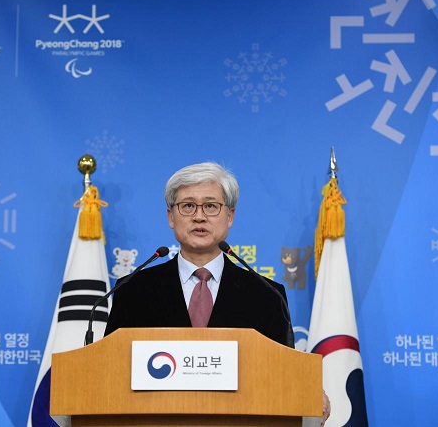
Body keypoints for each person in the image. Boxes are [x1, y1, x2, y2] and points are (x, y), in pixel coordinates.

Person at [103, 161, 330, 424]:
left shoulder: (267, 295)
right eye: (187, 206)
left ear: (230, 216)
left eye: (211, 206)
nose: (199, 216)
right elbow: (111, 373)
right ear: (170, 217)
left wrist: (305, 394)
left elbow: (282, 376)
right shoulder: (133, 290)